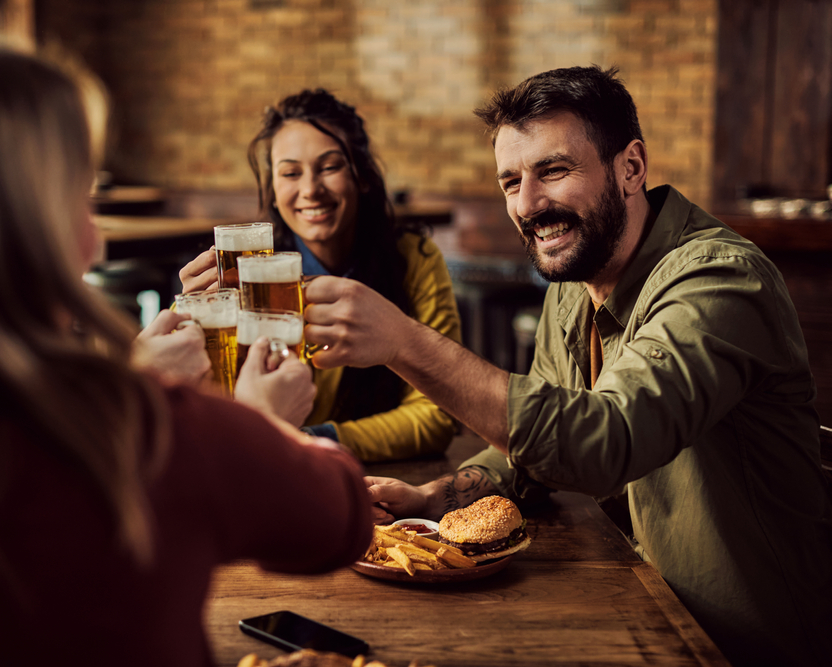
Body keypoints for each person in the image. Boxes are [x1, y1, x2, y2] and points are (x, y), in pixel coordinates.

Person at [0, 39, 371, 666]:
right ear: (34, 230)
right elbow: (340, 517)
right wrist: (256, 423)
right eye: (78, 199)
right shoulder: (160, 435)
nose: (92, 236)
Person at [304, 66, 832, 667]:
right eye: (510, 181)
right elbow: (542, 444)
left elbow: (603, 442)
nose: (528, 205)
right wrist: (434, 499)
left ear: (631, 167)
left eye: (553, 171)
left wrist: (404, 342)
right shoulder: (577, 284)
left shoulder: (720, 280)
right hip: (644, 614)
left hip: (743, 646)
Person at [179, 89, 461, 461]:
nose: (310, 190)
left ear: (361, 176)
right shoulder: (240, 274)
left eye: (329, 167)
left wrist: (309, 440)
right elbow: (202, 421)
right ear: (274, 190)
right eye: (291, 173)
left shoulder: (413, 259)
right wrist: (194, 333)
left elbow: (435, 416)